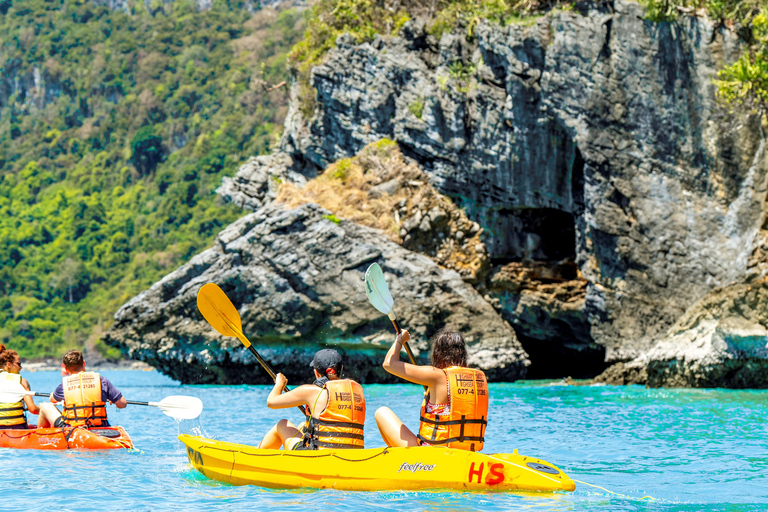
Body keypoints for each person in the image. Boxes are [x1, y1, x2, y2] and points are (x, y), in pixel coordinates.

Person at [375, 329, 489, 451]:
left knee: (382, 412)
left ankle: (398, 462)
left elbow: (389, 364)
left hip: (431, 454)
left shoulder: (437, 375)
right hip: (466, 451)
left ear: (438, 354)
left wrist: (399, 340)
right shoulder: (477, 379)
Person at [258, 349, 366, 450]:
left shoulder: (311, 391)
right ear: (341, 369)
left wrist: (279, 384)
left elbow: (271, 402)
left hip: (321, 456)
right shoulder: (357, 391)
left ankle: (256, 459)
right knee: (302, 426)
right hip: (352, 454)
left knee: (282, 424)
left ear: (316, 372)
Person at [37, 350, 127, 428]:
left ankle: (41, 436)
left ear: (66, 369)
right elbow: (122, 404)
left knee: (45, 406)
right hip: (100, 426)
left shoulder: (65, 385)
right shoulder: (101, 380)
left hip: (73, 428)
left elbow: (52, 399)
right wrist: (109, 398)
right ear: (84, 363)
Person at [0, 344, 39, 430]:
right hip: (18, 428)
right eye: (18, 364)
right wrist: (44, 410)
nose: (21, 367)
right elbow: (33, 409)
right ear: (9, 365)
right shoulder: (22, 382)